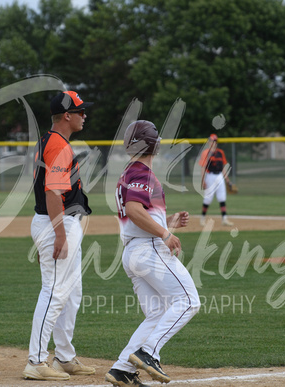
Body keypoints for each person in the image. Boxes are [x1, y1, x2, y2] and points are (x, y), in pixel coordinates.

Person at [106, 120, 200, 386]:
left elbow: (140, 214)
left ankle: (122, 369)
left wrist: (167, 221)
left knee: (158, 312)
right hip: (148, 250)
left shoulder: (129, 173)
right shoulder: (141, 173)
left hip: (134, 251)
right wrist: (165, 234)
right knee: (188, 301)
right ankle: (148, 353)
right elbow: (135, 211)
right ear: (153, 144)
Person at [23, 91, 95, 381]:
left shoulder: (49, 141)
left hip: (61, 221)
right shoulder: (58, 146)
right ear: (67, 115)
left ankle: (64, 356)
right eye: (80, 111)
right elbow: (52, 192)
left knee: (71, 293)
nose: (84, 115)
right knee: (53, 292)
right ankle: (36, 361)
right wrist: (61, 234)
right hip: (57, 223)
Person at [198, 133, 234, 227]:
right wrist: (203, 180)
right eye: (211, 141)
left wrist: (227, 180)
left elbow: (222, 167)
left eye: (215, 141)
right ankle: (202, 219)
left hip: (219, 176)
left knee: (222, 198)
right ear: (209, 142)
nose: (213, 143)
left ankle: (224, 219)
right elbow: (202, 167)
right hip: (210, 176)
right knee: (208, 198)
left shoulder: (220, 152)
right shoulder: (206, 152)